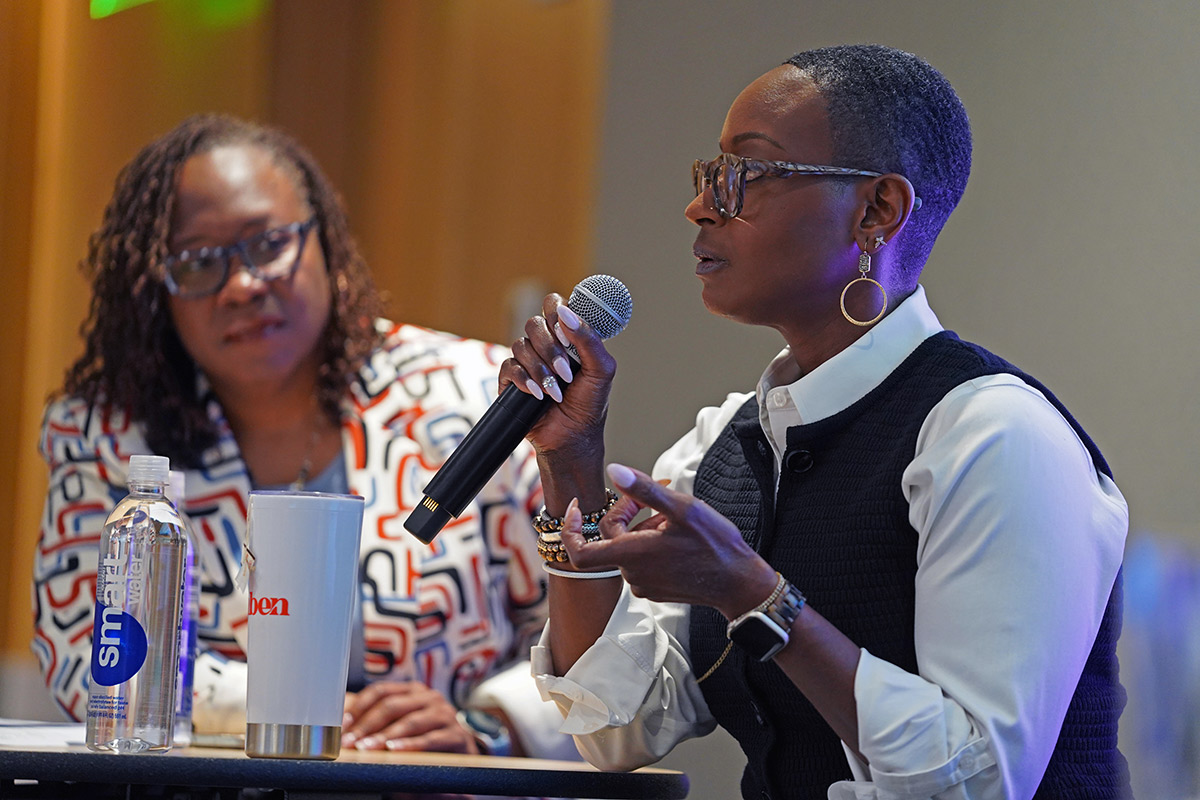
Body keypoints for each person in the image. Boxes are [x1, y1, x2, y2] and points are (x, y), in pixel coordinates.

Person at [502, 44, 1131, 799]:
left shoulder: (994, 437)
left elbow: (978, 784)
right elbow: (615, 729)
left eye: (745, 175)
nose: (701, 206)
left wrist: (758, 600)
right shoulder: (727, 445)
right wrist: (570, 462)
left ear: (876, 211)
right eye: (709, 176)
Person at [32, 113, 573, 761]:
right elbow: (84, 652)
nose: (241, 285)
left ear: (325, 240)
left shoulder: (469, 394)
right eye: (198, 263)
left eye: (267, 244)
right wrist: (306, 714)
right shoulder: (106, 434)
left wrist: (487, 728)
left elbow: (586, 636)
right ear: (155, 289)